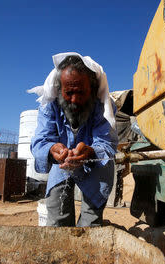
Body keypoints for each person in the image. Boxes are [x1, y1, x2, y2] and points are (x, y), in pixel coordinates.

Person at [29, 52, 118, 227]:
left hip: (96, 164)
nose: (75, 100)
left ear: (92, 90)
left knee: (90, 222)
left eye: (81, 93)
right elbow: (40, 140)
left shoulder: (103, 107)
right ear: (60, 89)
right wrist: (52, 149)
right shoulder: (49, 105)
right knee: (57, 215)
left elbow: (107, 143)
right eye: (68, 93)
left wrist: (90, 152)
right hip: (61, 164)